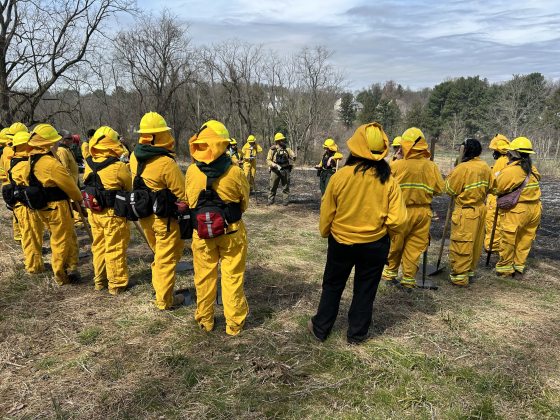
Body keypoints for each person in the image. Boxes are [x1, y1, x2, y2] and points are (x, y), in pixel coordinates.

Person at [309, 122, 407, 344]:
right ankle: (356, 335)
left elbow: (327, 212)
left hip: (341, 244)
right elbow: (399, 220)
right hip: (374, 246)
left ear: (356, 146)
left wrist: (327, 232)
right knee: (365, 290)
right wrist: (385, 233)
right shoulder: (388, 180)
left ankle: (320, 329)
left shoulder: (341, 177)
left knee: (332, 286)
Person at [186, 120, 250, 336]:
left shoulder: (192, 172)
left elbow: (189, 200)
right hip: (231, 233)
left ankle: (205, 320)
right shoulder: (235, 172)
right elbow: (244, 203)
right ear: (223, 145)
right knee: (232, 278)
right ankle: (234, 325)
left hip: (201, 234)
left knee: (204, 277)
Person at [129, 111, 186, 310]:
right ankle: (164, 300)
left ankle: (160, 288)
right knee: (166, 259)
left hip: (145, 217)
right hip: (165, 220)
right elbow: (183, 192)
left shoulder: (134, 157)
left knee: (159, 256)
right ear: (160, 136)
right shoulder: (165, 163)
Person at [381, 127, 444, 288]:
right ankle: (408, 281)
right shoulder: (432, 167)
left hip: (399, 211)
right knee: (414, 247)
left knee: (395, 244)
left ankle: (389, 275)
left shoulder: (397, 166)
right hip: (423, 213)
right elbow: (439, 189)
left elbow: (383, 187)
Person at [27, 124, 83, 285]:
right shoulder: (50, 164)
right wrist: (78, 199)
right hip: (57, 207)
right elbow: (70, 185)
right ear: (46, 144)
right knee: (60, 240)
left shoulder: (33, 159)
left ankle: (69, 265)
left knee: (60, 237)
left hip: (44, 207)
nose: (57, 144)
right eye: (54, 141)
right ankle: (61, 275)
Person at [83, 126, 133, 294]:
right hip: (112, 214)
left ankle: (100, 280)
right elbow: (128, 186)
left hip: (94, 213)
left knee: (98, 246)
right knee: (115, 247)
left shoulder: (88, 163)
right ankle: (116, 284)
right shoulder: (119, 166)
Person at [445, 138, 494, 286]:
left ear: (465, 151)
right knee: (475, 244)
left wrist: (451, 174)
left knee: (462, 243)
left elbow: (450, 190)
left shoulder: (462, 168)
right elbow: (492, 187)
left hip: (466, 211)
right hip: (480, 210)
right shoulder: (485, 167)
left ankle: (460, 277)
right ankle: (469, 271)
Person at [495, 137, 541, 277]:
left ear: (513, 153)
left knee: (508, 239)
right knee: (525, 239)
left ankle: (505, 269)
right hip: (535, 209)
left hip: (517, 210)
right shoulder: (531, 169)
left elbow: (497, 188)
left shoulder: (512, 171)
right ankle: (519, 266)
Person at [5, 131, 45, 273]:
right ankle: (34, 267)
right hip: (26, 207)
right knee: (31, 236)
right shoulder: (23, 165)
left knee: (32, 235)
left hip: (22, 205)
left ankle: (34, 264)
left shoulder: (17, 160)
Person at [484, 134, 510, 252]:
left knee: (492, 222)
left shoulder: (501, 161)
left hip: (496, 197)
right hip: (504, 197)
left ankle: (492, 246)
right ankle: (497, 245)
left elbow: (496, 180)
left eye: (494, 150)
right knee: (500, 222)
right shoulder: (509, 160)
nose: (493, 152)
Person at [266, 132, 296, 205]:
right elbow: (268, 160)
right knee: (272, 186)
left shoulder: (287, 149)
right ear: (277, 141)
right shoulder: (272, 150)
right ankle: (270, 200)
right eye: (280, 140)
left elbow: (293, 157)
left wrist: (294, 156)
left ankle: (285, 201)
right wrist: (273, 164)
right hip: (275, 170)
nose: (282, 141)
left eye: (282, 140)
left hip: (285, 169)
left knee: (285, 186)